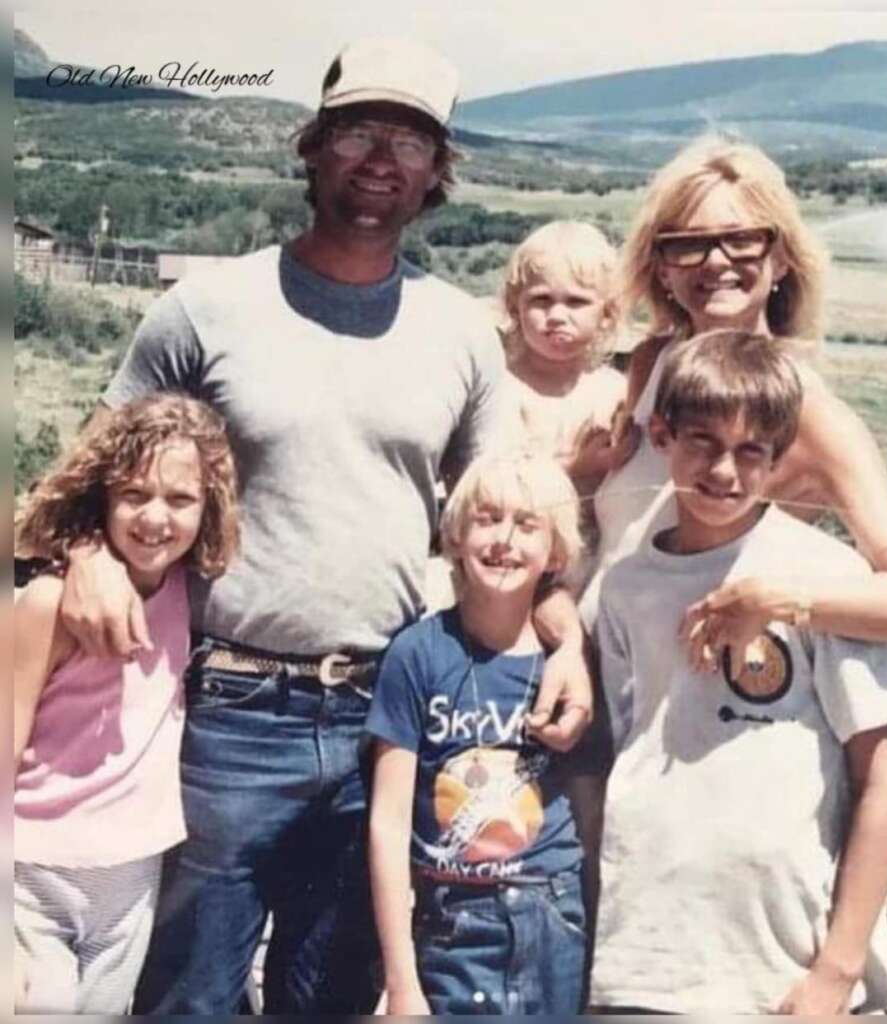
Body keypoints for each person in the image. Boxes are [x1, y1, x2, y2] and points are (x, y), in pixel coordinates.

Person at [54, 36, 591, 1014]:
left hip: (382, 718)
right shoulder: (207, 306)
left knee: (329, 996)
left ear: (436, 173)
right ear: (313, 148)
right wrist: (87, 549)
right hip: (226, 713)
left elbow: (511, 518)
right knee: (189, 997)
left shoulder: (458, 331)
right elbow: (88, 473)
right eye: (356, 133)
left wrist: (568, 642)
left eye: (408, 140)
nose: (380, 158)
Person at [591, 330, 887, 1014]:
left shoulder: (828, 579)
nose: (724, 471)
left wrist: (837, 970)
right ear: (661, 433)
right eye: (703, 443)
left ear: (778, 460)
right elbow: (619, 758)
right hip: (646, 955)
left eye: (751, 452)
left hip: (783, 961)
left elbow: (883, 781)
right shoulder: (625, 585)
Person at [585, 134, 887, 648]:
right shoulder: (653, 364)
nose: (714, 261)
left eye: (741, 239)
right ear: (663, 268)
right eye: (689, 244)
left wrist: (783, 602)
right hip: (596, 682)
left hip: (698, 698)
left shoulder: (810, 413)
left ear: (780, 260)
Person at [13, 396, 239, 1013]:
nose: (154, 519)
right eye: (134, 494)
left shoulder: (190, 594)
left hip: (132, 876)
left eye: (180, 499)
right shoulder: (50, 604)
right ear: (101, 496)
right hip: (35, 871)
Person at [367, 453, 588, 1015]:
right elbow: (388, 822)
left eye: (527, 524)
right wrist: (401, 984)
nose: (504, 540)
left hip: (551, 911)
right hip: (452, 922)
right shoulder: (418, 654)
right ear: (457, 535)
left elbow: (589, 799)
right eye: (487, 519)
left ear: (556, 552)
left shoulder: (566, 670)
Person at [500, 220, 629, 498]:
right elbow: (497, 483)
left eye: (576, 302)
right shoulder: (503, 389)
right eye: (541, 300)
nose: (557, 316)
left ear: (607, 314)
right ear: (514, 308)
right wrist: (577, 468)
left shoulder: (616, 392)